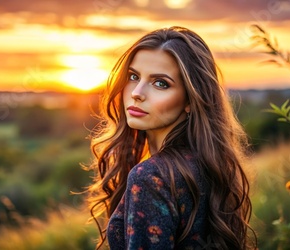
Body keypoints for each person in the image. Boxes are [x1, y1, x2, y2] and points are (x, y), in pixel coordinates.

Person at [86, 26, 254, 249]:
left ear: (190, 101)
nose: (137, 92)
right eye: (133, 76)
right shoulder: (206, 164)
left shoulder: (151, 177)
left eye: (160, 83)